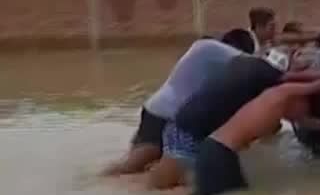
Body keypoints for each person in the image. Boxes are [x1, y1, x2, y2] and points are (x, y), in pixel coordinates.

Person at [101, 29, 255, 176]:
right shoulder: (216, 50)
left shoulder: (205, 55)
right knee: (130, 168)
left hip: (154, 107)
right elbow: (251, 64)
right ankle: (97, 181)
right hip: (167, 114)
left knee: (134, 167)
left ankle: (104, 179)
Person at [188, 74, 320, 195]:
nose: (307, 109)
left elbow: (306, 121)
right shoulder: (281, 92)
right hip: (219, 153)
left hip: (215, 151)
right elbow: (319, 85)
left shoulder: (277, 106)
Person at [148, 53, 288, 190]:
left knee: (166, 188)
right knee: (187, 192)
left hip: (180, 125)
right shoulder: (269, 80)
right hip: (191, 135)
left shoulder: (240, 63)